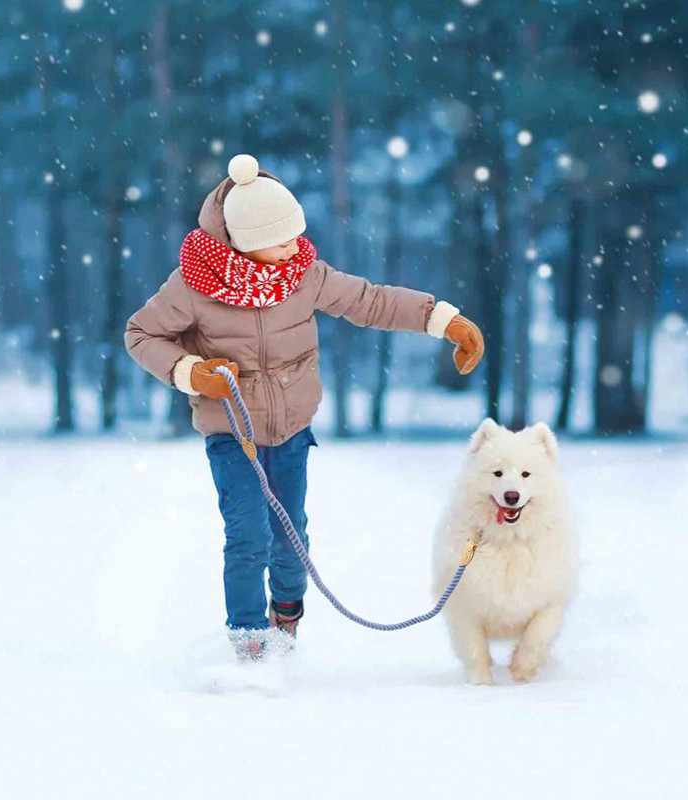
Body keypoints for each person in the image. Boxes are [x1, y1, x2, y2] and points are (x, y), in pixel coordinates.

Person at [124, 153, 484, 660]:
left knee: (290, 536)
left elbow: (371, 301)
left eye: (297, 234)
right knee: (247, 533)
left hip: (292, 429)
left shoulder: (303, 274)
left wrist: (443, 321)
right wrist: (189, 372)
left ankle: (286, 613)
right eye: (282, 238)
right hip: (231, 431)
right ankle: (247, 639)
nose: (295, 246)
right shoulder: (193, 286)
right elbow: (140, 334)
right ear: (245, 242)